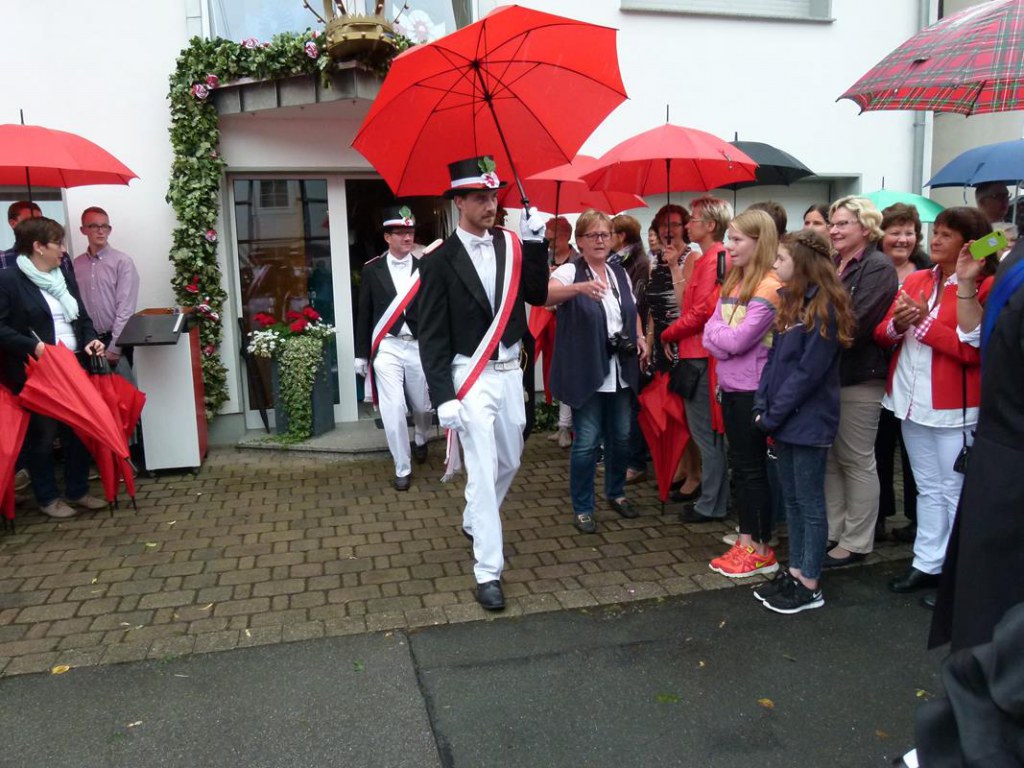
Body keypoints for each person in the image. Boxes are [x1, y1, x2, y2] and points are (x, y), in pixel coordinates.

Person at [416, 156, 548, 611]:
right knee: (483, 468)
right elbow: (432, 336)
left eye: (493, 196)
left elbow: (537, 294)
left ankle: (475, 515)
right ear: (458, 202)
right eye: (480, 197)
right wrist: (443, 397)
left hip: (510, 371)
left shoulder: (512, 244)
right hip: (469, 376)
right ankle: (488, 571)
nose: (490, 205)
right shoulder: (437, 261)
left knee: (510, 459)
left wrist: (536, 244)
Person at [875, 207, 995, 597]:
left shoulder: (985, 285)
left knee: (955, 491)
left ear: (969, 243)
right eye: (936, 232)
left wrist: (923, 323)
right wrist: (898, 324)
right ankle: (927, 563)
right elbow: (883, 333)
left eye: (946, 234)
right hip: (910, 399)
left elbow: (972, 351)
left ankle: (960, 573)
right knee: (927, 488)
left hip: (954, 405)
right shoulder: (918, 278)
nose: (936, 239)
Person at [928, 223, 1024, 651]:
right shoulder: (1013, 266)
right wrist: (966, 285)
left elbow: (965, 346)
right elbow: (979, 336)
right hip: (1001, 435)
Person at [752, 229, 856, 614]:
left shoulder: (824, 308)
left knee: (810, 503)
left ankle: (810, 582)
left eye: (781, 259)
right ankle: (795, 570)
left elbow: (808, 374)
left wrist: (772, 414)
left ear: (802, 264)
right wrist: (762, 405)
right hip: (783, 419)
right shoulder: (790, 303)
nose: (774, 264)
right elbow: (772, 362)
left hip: (808, 421)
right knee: (793, 501)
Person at [546, 209, 647, 533]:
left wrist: (640, 337)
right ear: (580, 240)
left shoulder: (619, 272)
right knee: (587, 442)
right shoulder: (569, 271)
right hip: (587, 368)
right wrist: (579, 288)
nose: (601, 240)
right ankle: (583, 507)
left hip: (620, 367)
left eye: (606, 234)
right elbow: (545, 296)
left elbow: (632, 310)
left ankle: (615, 492)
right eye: (593, 235)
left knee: (621, 437)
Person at [0, 218, 108, 518]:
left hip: (73, 365)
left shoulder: (63, 276)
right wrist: (33, 347)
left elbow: (82, 318)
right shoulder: (9, 280)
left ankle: (78, 491)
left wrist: (91, 340)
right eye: (58, 243)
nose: (63, 249)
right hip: (38, 371)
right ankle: (47, 497)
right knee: (44, 437)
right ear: (38, 246)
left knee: (78, 431)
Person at [703, 209, 781, 576]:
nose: (729, 246)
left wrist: (722, 339)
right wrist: (724, 339)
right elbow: (712, 332)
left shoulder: (769, 286)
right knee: (744, 467)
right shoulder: (736, 281)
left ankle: (760, 547)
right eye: (729, 239)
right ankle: (747, 540)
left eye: (737, 240)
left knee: (752, 470)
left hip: (753, 390)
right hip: (733, 386)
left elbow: (736, 340)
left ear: (759, 242)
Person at [822, 196, 898, 567]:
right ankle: (834, 531)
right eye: (832, 223)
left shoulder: (878, 266)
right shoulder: (833, 263)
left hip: (858, 376)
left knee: (856, 459)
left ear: (865, 228)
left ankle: (856, 541)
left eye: (843, 224)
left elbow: (857, 323)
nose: (834, 230)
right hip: (829, 375)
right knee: (832, 460)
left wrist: (812, 338)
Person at [661, 195, 734, 523]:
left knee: (707, 434)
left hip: (701, 356)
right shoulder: (709, 259)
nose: (688, 225)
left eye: (693, 219)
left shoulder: (715, 259)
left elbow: (702, 311)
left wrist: (668, 333)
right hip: (698, 354)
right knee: (707, 433)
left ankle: (711, 504)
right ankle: (715, 500)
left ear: (711, 225)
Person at [354, 205, 432, 491]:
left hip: (418, 346)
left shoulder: (425, 267)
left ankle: (422, 436)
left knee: (422, 405)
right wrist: (361, 354)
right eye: (400, 232)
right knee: (394, 407)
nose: (407, 237)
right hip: (387, 346)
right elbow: (364, 313)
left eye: (410, 231)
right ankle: (402, 466)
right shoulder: (372, 269)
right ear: (387, 237)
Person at [874, 203, 929, 542]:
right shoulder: (873, 270)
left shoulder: (927, 270)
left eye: (909, 232)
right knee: (879, 447)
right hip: (878, 370)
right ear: (881, 235)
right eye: (895, 232)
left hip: (916, 372)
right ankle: (878, 516)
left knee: (914, 453)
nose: (903, 239)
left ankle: (916, 517)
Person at [610, 214, 652, 485]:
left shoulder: (636, 263)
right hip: (625, 338)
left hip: (635, 339)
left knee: (634, 404)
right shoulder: (619, 260)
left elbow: (636, 303)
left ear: (622, 236)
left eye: (609, 233)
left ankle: (636, 462)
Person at [72, 207, 140, 367]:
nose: (101, 231)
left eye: (105, 226)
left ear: (110, 229)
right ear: (83, 230)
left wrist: (115, 347)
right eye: (94, 226)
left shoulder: (122, 262)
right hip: (88, 341)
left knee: (121, 383)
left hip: (116, 339)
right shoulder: (76, 265)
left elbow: (125, 309)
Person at [541, 215, 576, 448]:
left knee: (569, 372)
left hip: (570, 325)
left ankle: (567, 426)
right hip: (549, 324)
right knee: (553, 371)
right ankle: (562, 424)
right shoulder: (546, 259)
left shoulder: (578, 261)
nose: (549, 244)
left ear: (566, 237)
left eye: (552, 239)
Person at [2, 201, 43, 269]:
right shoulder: (3, 259)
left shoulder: (57, 256)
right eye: (29, 220)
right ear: (13, 223)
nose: (36, 225)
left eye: (40, 220)